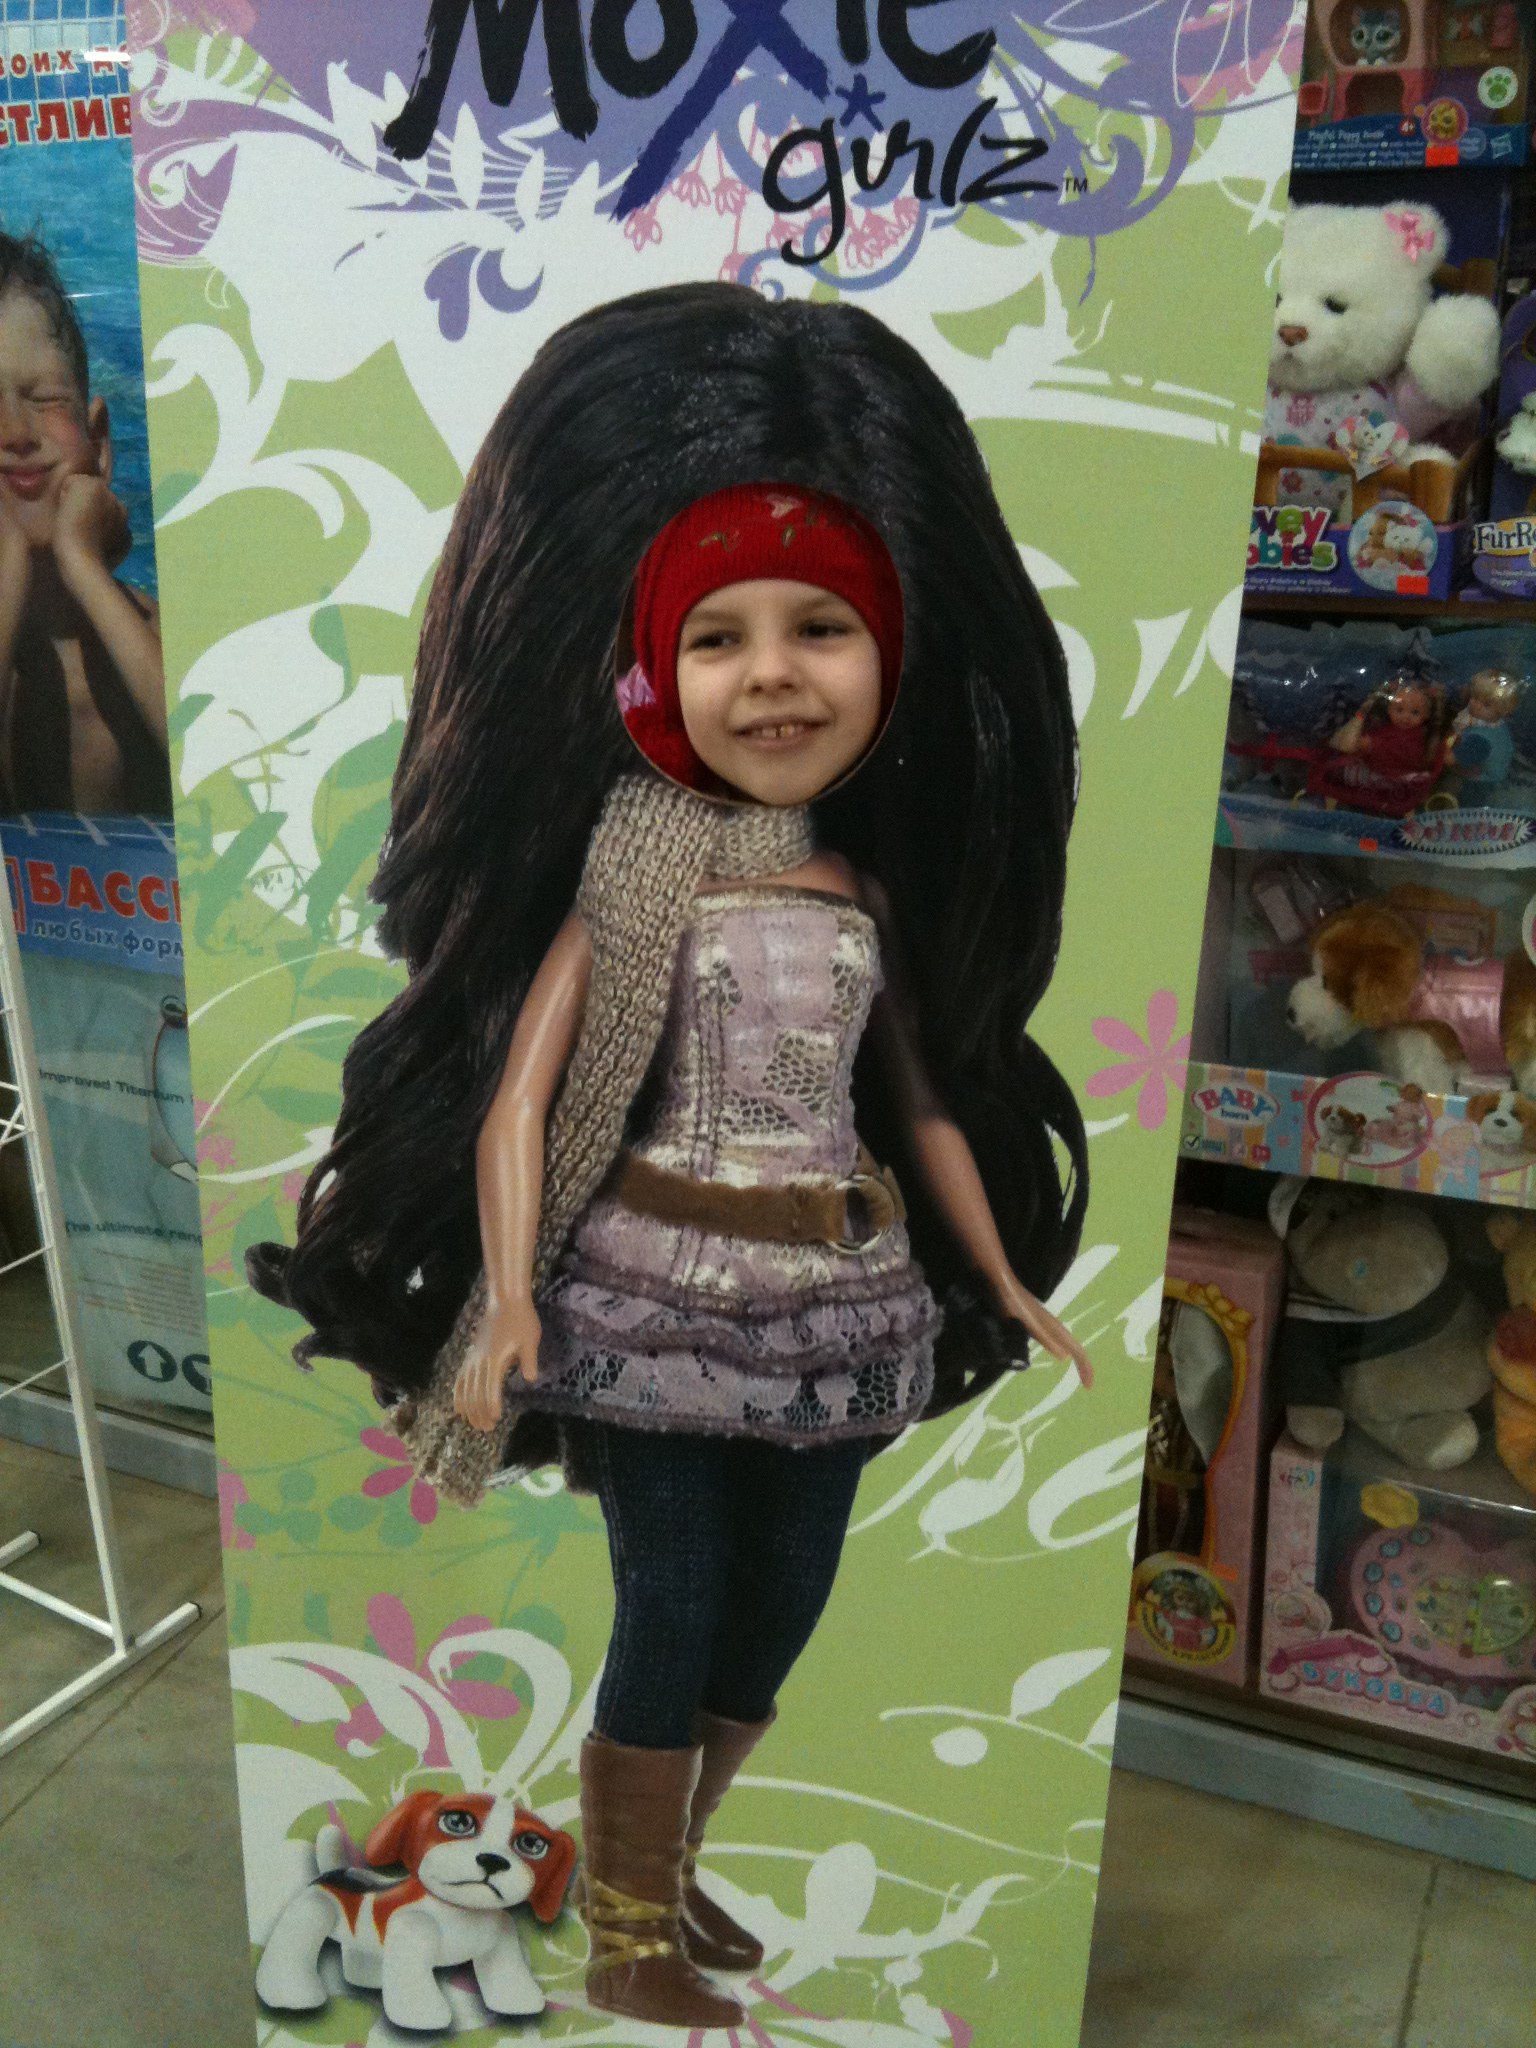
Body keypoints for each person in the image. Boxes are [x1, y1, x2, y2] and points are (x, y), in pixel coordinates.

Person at [250, 283, 1092, 2030]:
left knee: (779, 1609)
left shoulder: (855, 892)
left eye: (821, 630)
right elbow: (524, 1101)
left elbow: (925, 1101)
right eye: (719, 638)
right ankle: (629, 1937)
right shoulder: (630, 877)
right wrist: (506, 1301)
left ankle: (670, 1863)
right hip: (654, 1288)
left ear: (894, 656)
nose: (773, 674)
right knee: (675, 1599)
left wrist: (1005, 1276)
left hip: (835, 1292)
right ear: (650, 672)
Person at [0, 232, 169, 815]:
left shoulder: (156, 638)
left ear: (99, 444)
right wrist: (10, 564)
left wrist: (83, 567)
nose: (15, 431)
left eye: (44, 398)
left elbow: (238, 778)